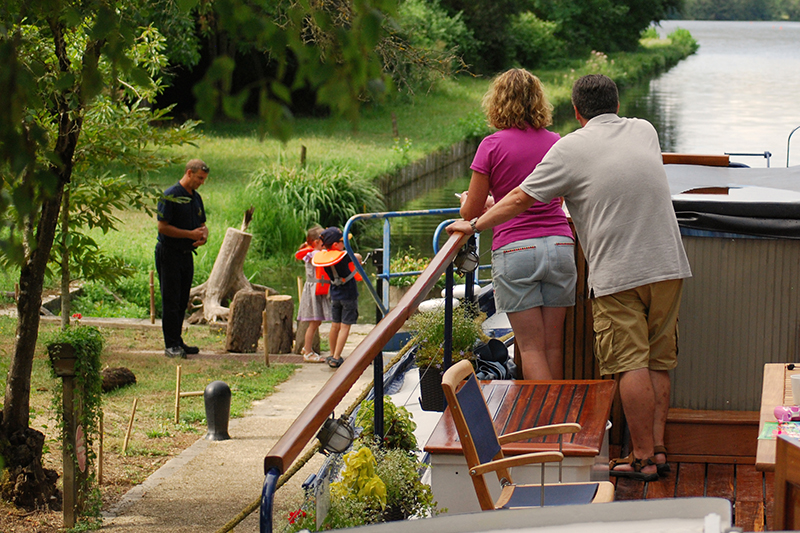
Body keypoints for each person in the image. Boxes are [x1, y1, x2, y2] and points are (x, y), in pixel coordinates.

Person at [447, 74, 692, 482]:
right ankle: (659, 449)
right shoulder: (645, 130)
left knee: (630, 362)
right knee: (659, 359)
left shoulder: (570, 148)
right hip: (668, 264)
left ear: (578, 112)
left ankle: (642, 457)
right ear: (616, 103)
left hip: (618, 272)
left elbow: (521, 198)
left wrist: (474, 224)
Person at [459, 68, 576, 380]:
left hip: (516, 250)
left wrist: (471, 205)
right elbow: (556, 198)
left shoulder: (492, 145)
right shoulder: (556, 142)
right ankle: (561, 422)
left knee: (531, 347)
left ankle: (544, 426)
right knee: (553, 347)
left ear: (497, 103)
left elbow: (470, 212)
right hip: (561, 246)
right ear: (539, 102)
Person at [155, 159, 210, 358]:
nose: (201, 182)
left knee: (181, 300)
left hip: (187, 254)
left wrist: (203, 236)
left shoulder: (196, 198)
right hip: (169, 252)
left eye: (204, 179)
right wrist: (189, 234)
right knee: (170, 299)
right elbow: (162, 227)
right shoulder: (170, 196)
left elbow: (202, 224)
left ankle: (177, 340)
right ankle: (170, 344)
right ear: (189, 173)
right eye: (199, 178)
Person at [313, 227, 362, 369]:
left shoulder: (325, 257)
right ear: (335, 245)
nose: (344, 243)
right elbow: (357, 256)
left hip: (334, 294)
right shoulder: (344, 255)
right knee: (345, 326)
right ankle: (336, 357)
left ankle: (332, 353)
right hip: (348, 295)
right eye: (342, 241)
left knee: (335, 325)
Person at [295, 225, 331, 363]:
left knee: (316, 322)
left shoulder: (316, 252)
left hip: (317, 290)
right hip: (313, 291)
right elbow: (326, 258)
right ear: (316, 243)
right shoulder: (315, 254)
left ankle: (306, 347)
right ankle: (308, 352)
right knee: (314, 322)